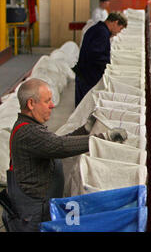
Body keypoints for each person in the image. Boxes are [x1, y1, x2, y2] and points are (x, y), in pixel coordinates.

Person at [1, 78, 127, 232]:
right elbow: (60, 146)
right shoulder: (28, 133)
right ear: (31, 104)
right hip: (32, 215)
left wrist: (85, 129)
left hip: (39, 209)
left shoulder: (31, 127)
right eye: (47, 101)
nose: (52, 105)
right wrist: (103, 138)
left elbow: (57, 142)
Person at [74, 12, 128, 107]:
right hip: (87, 78)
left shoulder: (98, 29)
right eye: (120, 29)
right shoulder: (102, 33)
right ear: (115, 22)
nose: (118, 33)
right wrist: (110, 67)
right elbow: (96, 55)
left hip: (83, 74)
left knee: (82, 107)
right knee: (84, 108)